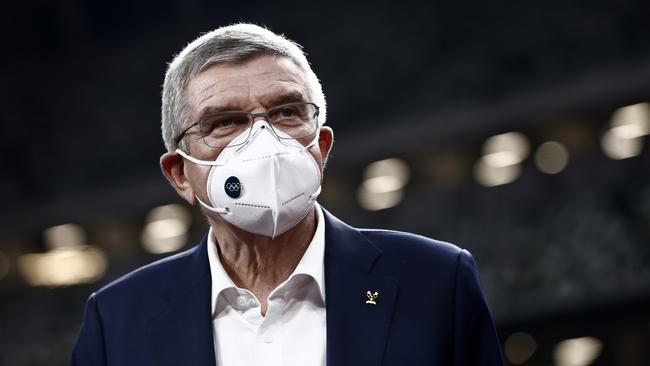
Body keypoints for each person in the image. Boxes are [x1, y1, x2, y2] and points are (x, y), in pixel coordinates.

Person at [72, 23, 503, 366]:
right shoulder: (117, 321)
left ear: (321, 146)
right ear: (180, 174)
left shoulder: (437, 281)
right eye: (225, 122)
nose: (264, 139)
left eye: (286, 112)